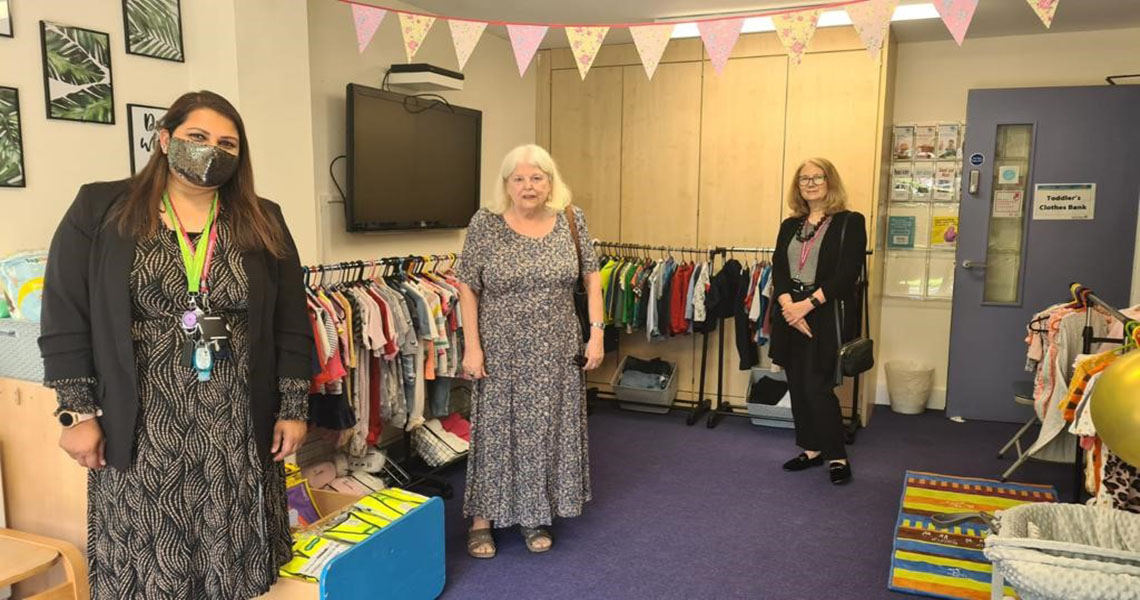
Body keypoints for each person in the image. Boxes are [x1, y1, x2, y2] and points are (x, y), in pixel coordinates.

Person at [39, 91, 314, 598]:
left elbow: (290, 321)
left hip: (233, 414)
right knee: (150, 552)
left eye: (227, 143)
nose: (213, 151)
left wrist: (294, 407)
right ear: (165, 139)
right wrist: (77, 414)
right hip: (141, 417)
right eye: (198, 137)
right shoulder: (100, 207)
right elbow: (64, 315)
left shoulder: (263, 217)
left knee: (230, 546)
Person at [456, 144, 604, 557]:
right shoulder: (485, 224)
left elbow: (592, 279)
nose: (528, 186)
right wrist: (473, 347)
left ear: (550, 181)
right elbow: (467, 285)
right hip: (500, 346)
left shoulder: (571, 220)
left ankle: (532, 513)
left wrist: (596, 334)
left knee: (545, 429)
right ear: (506, 184)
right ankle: (482, 518)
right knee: (495, 431)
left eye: (537, 177)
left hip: (556, 346)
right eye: (518, 178)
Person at [768, 158, 867, 486]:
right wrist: (788, 306)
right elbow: (779, 270)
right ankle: (810, 449)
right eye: (803, 179)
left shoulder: (850, 222)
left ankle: (836, 455)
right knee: (797, 384)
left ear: (830, 181)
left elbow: (847, 274)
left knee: (818, 386)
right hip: (789, 312)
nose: (810, 184)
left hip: (822, 311)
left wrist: (806, 306)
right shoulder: (788, 225)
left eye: (817, 178)